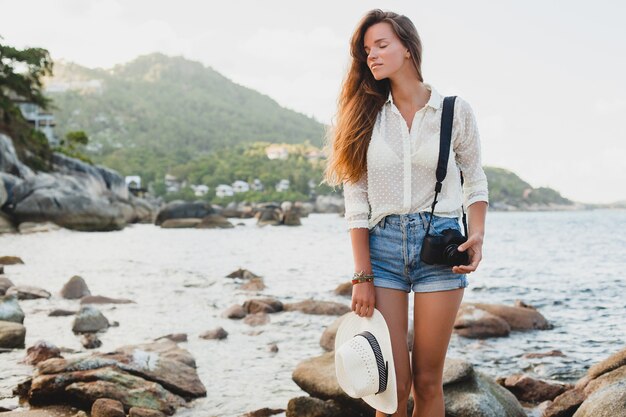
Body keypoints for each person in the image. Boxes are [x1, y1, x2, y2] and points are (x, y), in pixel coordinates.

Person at [322, 9, 489, 417]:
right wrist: (362, 275)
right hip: (382, 251)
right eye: (367, 50)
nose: (372, 56)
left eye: (382, 45)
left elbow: (476, 180)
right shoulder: (365, 117)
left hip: (442, 247)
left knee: (430, 381)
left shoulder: (454, 111)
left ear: (408, 49)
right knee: (391, 389)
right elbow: (356, 201)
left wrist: (478, 234)